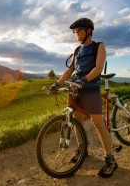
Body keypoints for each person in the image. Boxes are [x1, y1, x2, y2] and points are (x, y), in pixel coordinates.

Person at [49, 18, 118, 178]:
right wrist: (57, 84)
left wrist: (84, 80)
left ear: (88, 31)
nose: (76, 34)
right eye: (74, 31)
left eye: (78, 30)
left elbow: (98, 68)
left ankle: (110, 159)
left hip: (90, 89)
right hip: (75, 90)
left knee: (97, 123)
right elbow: (69, 70)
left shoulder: (98, 46)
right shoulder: (77, 50)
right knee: (76, 121)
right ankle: (82, 149)